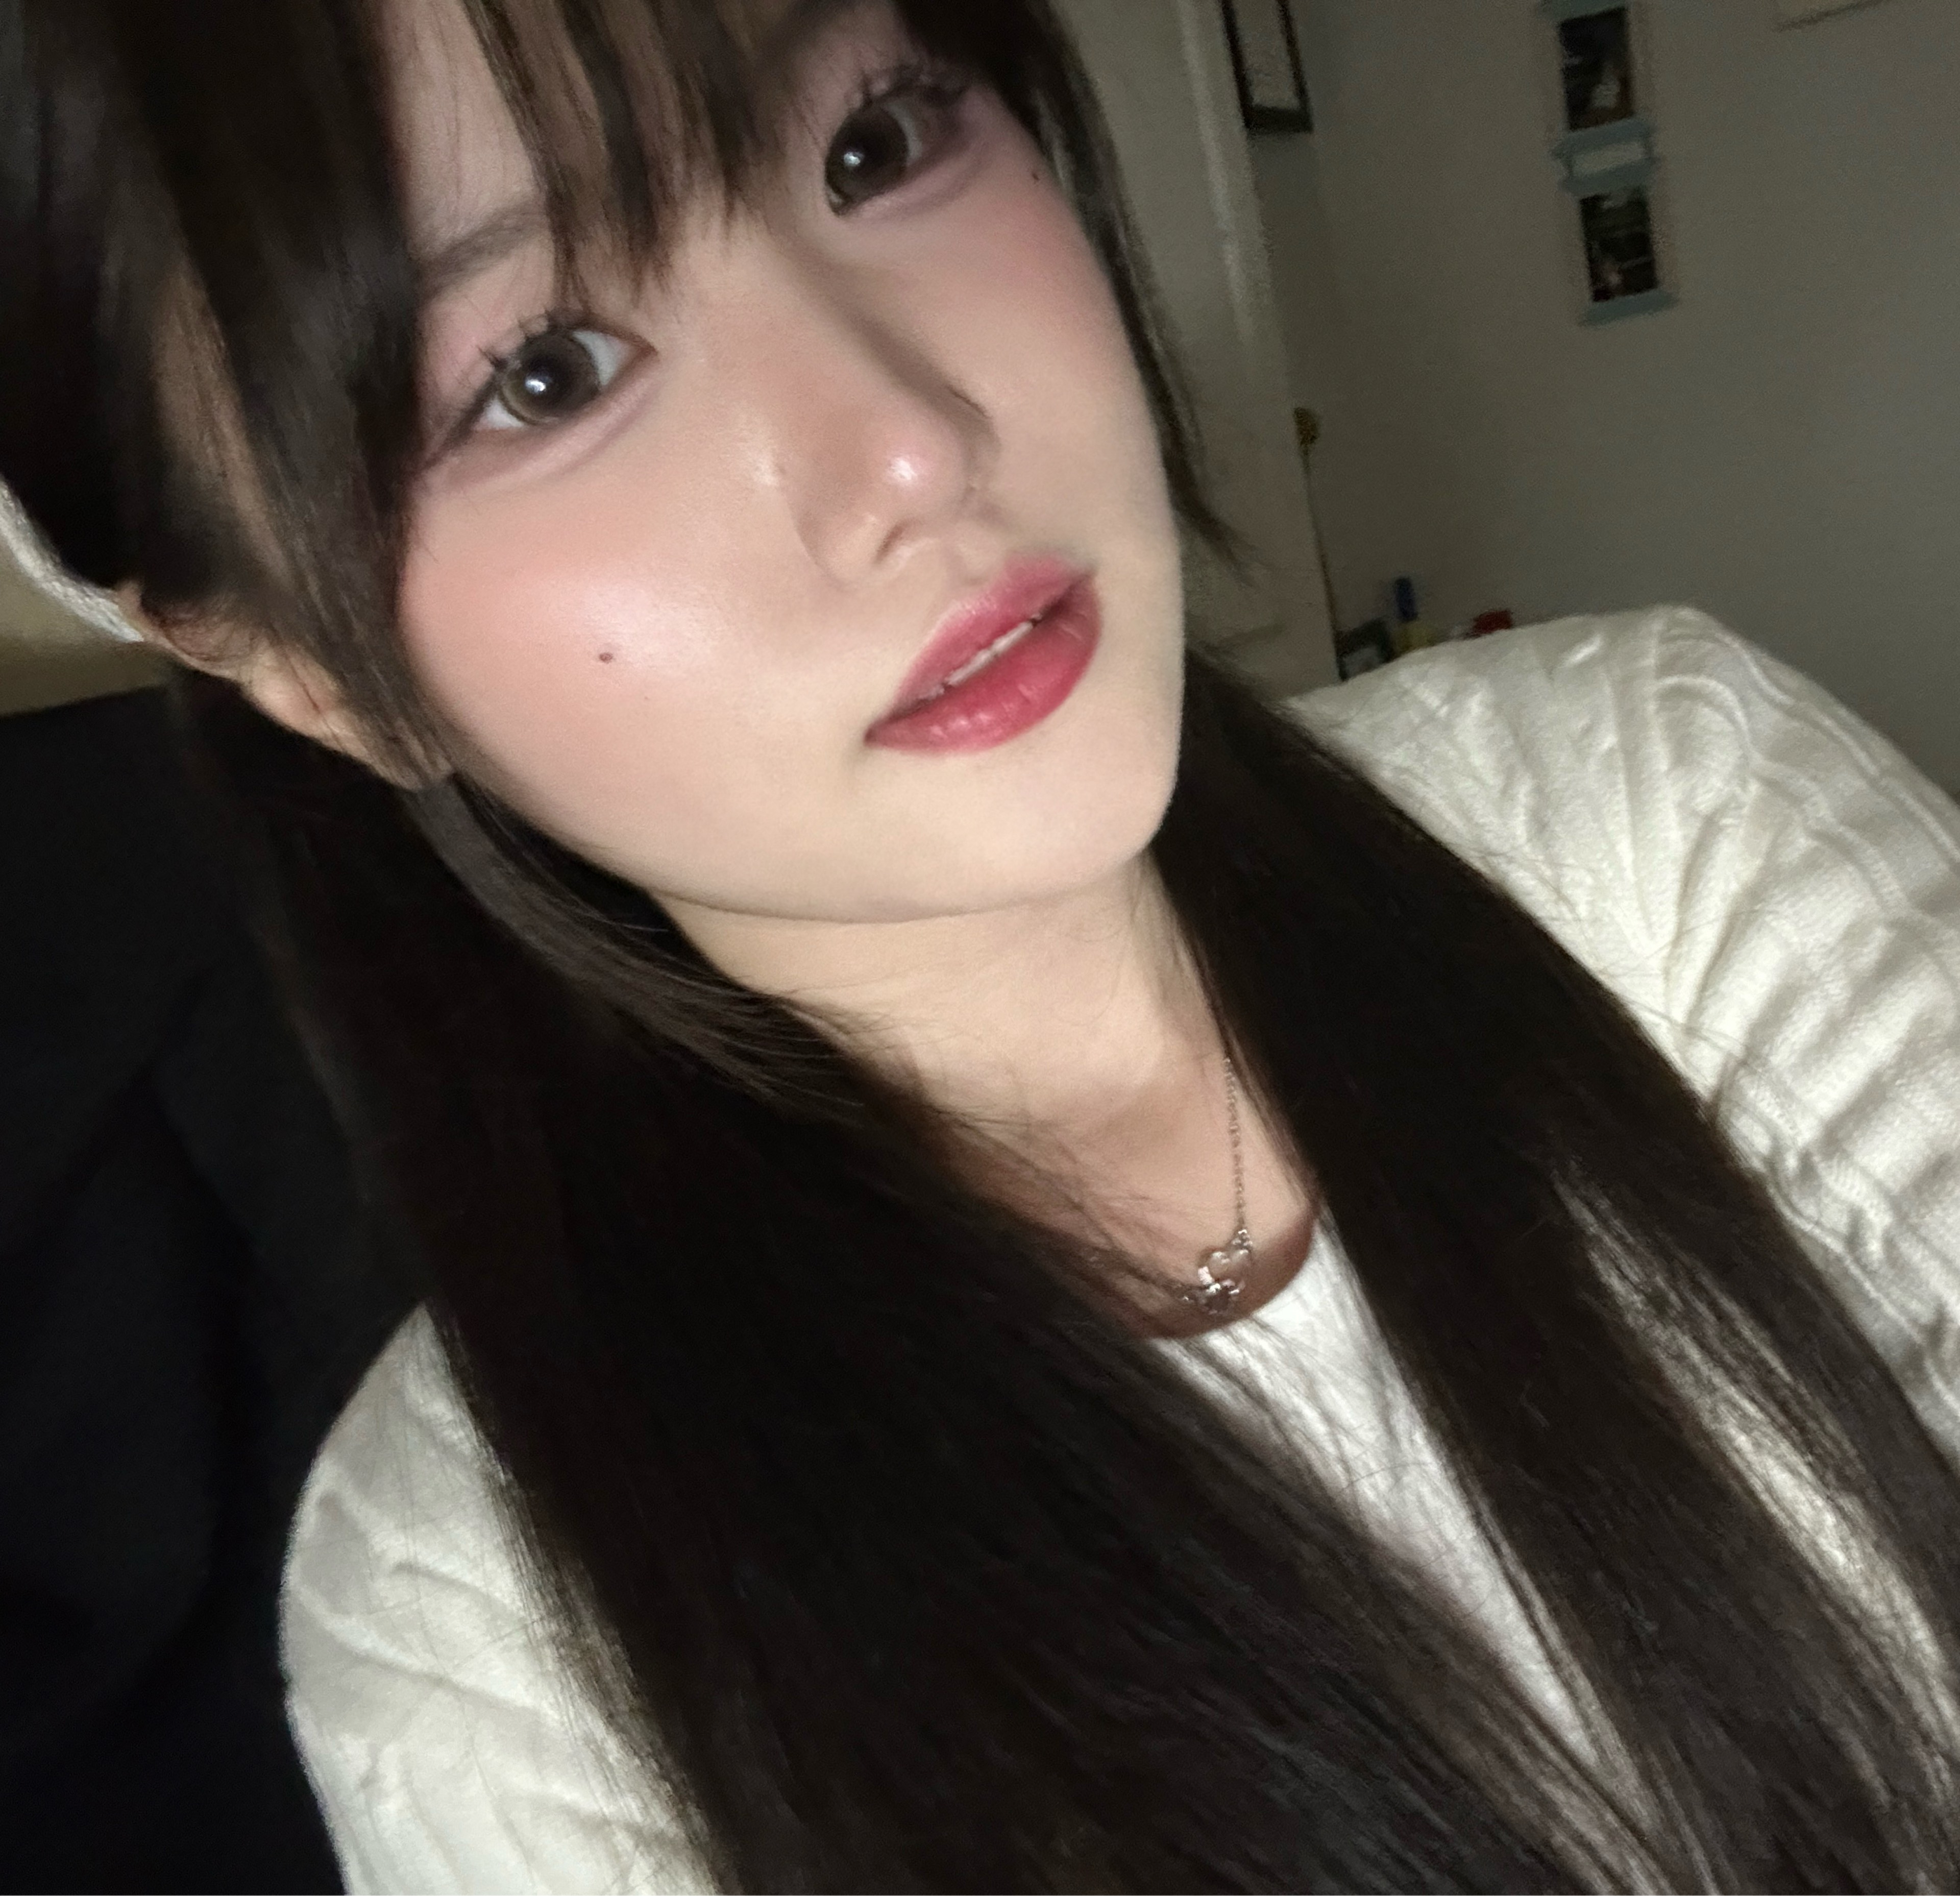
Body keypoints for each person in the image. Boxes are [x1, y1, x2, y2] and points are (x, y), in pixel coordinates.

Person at [5, 0, 1959, 1889]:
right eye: (546, 376)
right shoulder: (478, 1622)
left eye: (874, 145)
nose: (918, 444)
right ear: (308, 666)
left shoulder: (1661, 815)